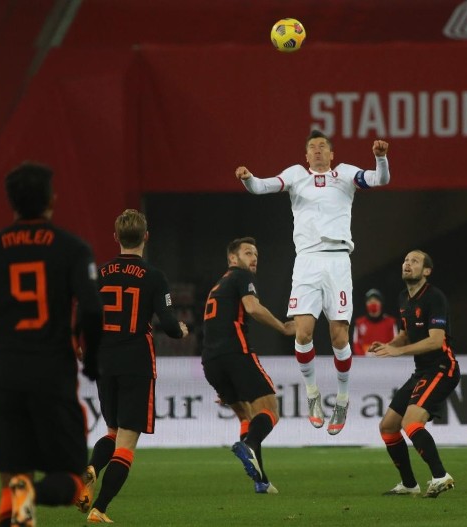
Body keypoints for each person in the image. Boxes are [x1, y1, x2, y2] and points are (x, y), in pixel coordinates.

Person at [0, 163, 103, 527]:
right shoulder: (72, 249)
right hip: (52, 375)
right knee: (73, 480)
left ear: (11, 201)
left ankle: (19, 504)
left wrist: (8, 336)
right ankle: (26, 498)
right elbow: (91, 309)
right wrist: (91, 362)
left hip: (4, 377)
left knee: (15, 476)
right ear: (51, 200)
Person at [235, 130, 390, 434]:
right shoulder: (295, 175)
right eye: (312, 148)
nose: (317, 151)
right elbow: (262, 186)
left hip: (337, 260)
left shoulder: (345, 174)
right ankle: (312, 394)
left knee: (339, 338)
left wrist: (380, 157)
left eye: (322, 147)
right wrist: (247, 179)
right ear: (306, 156)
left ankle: (343, 399)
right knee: (303, 334)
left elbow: (379, 179)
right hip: (306, 261)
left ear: (331, 154)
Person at [77, 209, 189, 524]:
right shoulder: (154, 276)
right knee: (127, 440)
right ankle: (100, 509)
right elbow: (167, 323)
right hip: (135, 359)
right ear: (146, 237)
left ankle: (90, 469)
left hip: (102, 359)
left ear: (116, 238)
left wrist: (81, 346)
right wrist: (180, 329)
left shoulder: (98, 273)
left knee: (112, 430)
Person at [201, 237, 295, 494]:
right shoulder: (240, 276)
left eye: (256, 253)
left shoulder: (217, 286)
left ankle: (261, 481)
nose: (254, 257)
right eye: (247, 252)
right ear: (233, 258)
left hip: (210, 361)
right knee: (270, 410)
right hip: (236, 353)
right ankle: (250, 445)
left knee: (246, 416)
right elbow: (253, 308)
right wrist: (284, 327)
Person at [368, 250, 460, 498]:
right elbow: (407, 334)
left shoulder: (434, 298)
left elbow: (436, 341)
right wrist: (389, 344)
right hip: (422, 371)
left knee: (411, 422)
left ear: (427, 271)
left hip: (442, 368)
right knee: (388, 426)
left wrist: (400, 352)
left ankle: (441, 476)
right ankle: (409, 484)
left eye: (415, 261)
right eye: (406, 260)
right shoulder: (403, 298)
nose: (408, 264)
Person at [352, 289, 398, 355]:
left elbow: (395, 344)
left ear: (381, 303)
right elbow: (356, 345)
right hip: (365, 361)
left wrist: (384, 353)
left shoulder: (390, 322)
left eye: (376, 300)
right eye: (370, 301)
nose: (373, 303)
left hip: (386, 360)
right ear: (366, 304)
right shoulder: (359, 323)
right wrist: (364, 355)